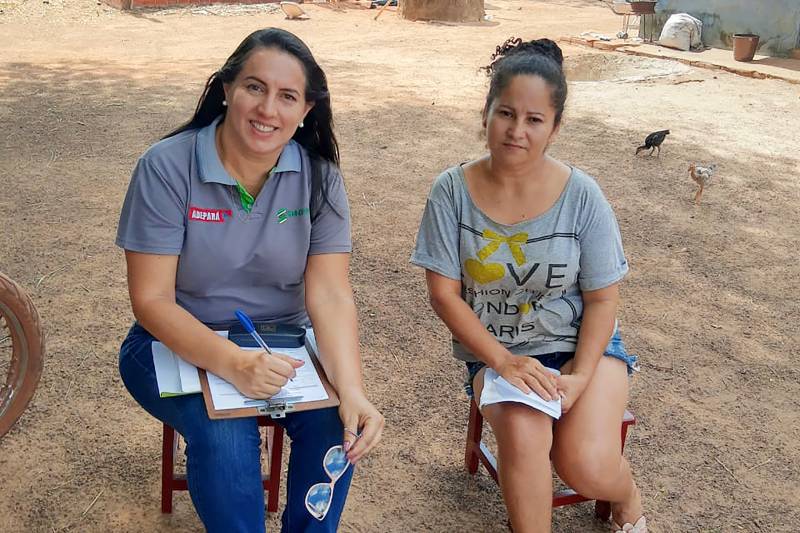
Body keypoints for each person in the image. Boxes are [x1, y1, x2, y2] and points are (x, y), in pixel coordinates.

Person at [116, 28, 384, 533]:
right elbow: (150, 300)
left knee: (337, 426)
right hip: (172, 343)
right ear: (226, 89)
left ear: (306, 110)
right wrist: (232, 363)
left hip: (285, 343)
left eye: (287, 97)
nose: (268, 110)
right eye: (254, 87)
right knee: (224, 433)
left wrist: (352, 389)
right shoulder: (166, 167)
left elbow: (329, 292)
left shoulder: (320, 176)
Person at [411, 38, 646, 533]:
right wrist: (503, 360)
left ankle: (627, 497)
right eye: (506, 113)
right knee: (521, 436)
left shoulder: (582, 196)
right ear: (486, 113)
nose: (517, 131)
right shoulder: (450, 192)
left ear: (555, 128)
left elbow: (603, 298)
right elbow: (444, 295)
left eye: (535, 120)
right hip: (500, 352)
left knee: (584, 464)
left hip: (582, 347)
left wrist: (580, 376)